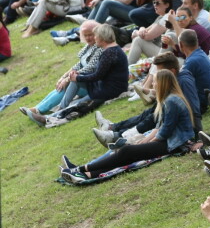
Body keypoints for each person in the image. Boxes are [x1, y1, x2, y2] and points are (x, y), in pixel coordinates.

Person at [60, 68, 194, 183]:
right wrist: (143, 142)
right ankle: (87, 174)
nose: (153, 83)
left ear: (162, 83)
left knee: (127, 151)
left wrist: (145, 143)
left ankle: (81, 169)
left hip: (174, 144)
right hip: (168, 141)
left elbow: (165, 131)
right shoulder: (168, 99)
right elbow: (159, 127)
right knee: (128, 151)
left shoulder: (171, 101)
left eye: (155, 81)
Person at [28, 24, 129, 127]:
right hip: (103, 86)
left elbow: (97, 76)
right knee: (75, 82)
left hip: (109, 90)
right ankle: (60, 109)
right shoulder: (110, 50)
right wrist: (74, 77)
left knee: (80, 104)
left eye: (95, 36)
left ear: (102, 38)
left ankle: (50, 118)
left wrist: (77, 77)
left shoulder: (109, 53)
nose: (94, 38)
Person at [19, 21, 101, 116]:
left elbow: (89, 68)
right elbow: (78, 65)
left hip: (92, 86)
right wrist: (63, 77)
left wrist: (68, 79)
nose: (88, 38)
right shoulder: (88, 47)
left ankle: (39, 110)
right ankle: (37, 107)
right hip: (84, 82)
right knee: (60, 86)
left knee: (65, 86)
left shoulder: (99, 47)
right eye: (85, 35)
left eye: (90, 35)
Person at [126, 0, 173, 65]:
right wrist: (141, 29)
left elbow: (147, 36)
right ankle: (127, 67)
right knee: (138, 39)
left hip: (165, 53)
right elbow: (146, 29)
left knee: (138, 40)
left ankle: (126, 69)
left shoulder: (167, 18)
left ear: (167, 5)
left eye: (157, 3)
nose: (154, 5)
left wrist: (136, 32)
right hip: (159, 50)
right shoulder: (160, 17)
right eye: (154, 2)